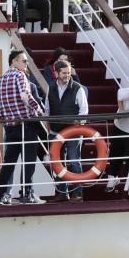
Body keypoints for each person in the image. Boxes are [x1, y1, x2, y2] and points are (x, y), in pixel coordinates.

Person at [0, 50, 46, 205]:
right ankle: (27, 194)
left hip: (11, 128)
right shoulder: (20, 75)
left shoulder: (0, 79)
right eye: (24, 61)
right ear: (14, 61)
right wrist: (39, 110)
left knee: (9, 163)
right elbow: (25, 96)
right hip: (26, 126)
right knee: (28, 162)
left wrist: (5, 120)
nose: (26, 64)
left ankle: (0, 195)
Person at [45, 60, 88, 201]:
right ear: (56, 73)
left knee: (74, 161)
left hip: (73, 132)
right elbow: (47, 109)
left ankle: (78, 194)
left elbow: (84, 110)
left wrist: (79, 123)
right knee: (58, 162)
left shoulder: (78, 88)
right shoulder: (50, 88)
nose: (67, 75)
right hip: (55, 132)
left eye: (69, 73)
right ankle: (63, 193)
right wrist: (48, 127)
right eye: (64, 73)